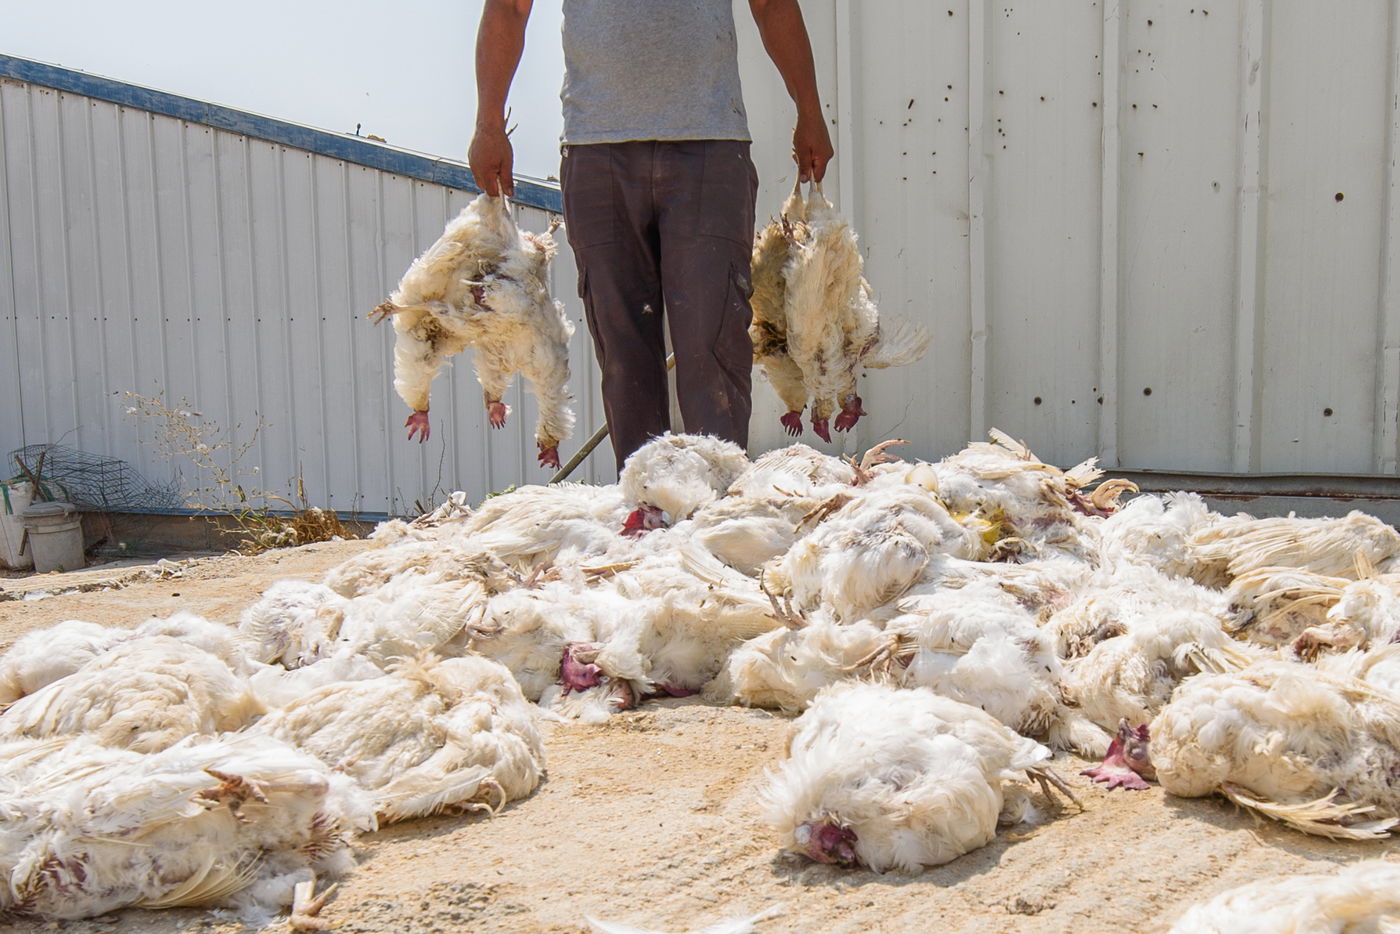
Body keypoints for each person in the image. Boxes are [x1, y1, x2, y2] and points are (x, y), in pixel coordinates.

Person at [469, 0, 833, 470]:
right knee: (624, 353)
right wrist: (488, 124)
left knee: (713, 344)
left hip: (709, 142)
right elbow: (508, 9)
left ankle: (717, 513)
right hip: (596, 151)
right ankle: (645, 515)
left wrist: (809, 109)